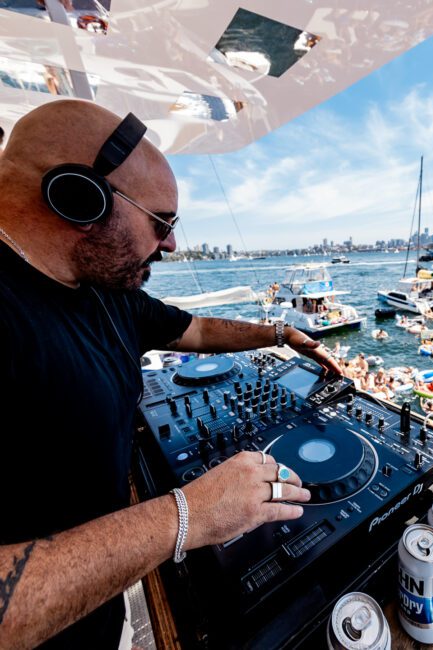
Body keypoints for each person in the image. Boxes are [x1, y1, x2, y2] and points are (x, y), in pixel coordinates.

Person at [0, 100, 342, 649]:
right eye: (161, 222)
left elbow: (199, 330)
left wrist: (281, 334)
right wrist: (188, 515)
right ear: (77, 197)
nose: (173, 244)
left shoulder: (104, 292)